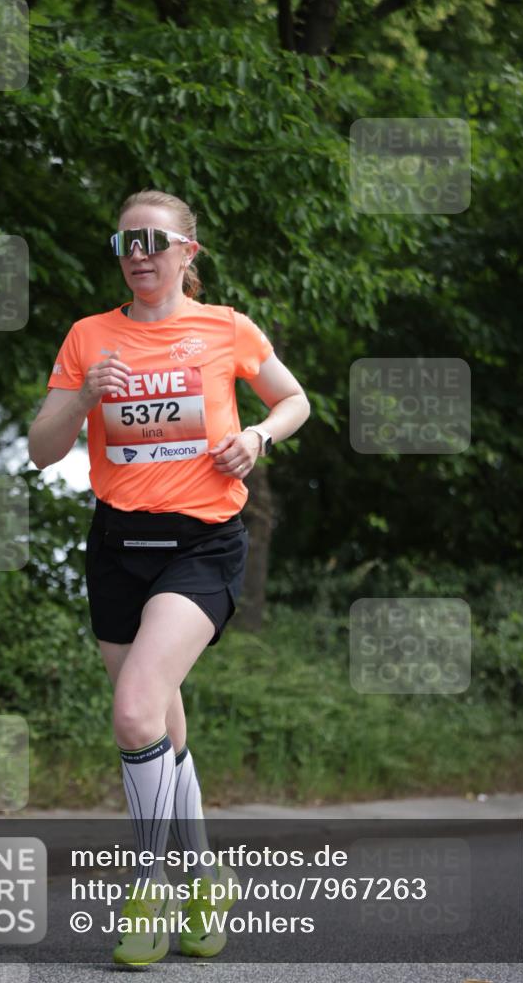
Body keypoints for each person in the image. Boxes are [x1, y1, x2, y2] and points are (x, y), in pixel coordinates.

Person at [28, 189, 310, 965]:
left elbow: (295, 400)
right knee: (156, 721)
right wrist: (83, 396)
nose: (140, 254)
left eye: (155, 240)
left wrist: (256, 435)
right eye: (126, 242)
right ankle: (206, 877)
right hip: (117, 545)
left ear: (189, 252)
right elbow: (42, 449)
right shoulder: (89, 336)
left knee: (132, 713)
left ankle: (150, 887)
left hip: (203, 543)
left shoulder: (225, 328)